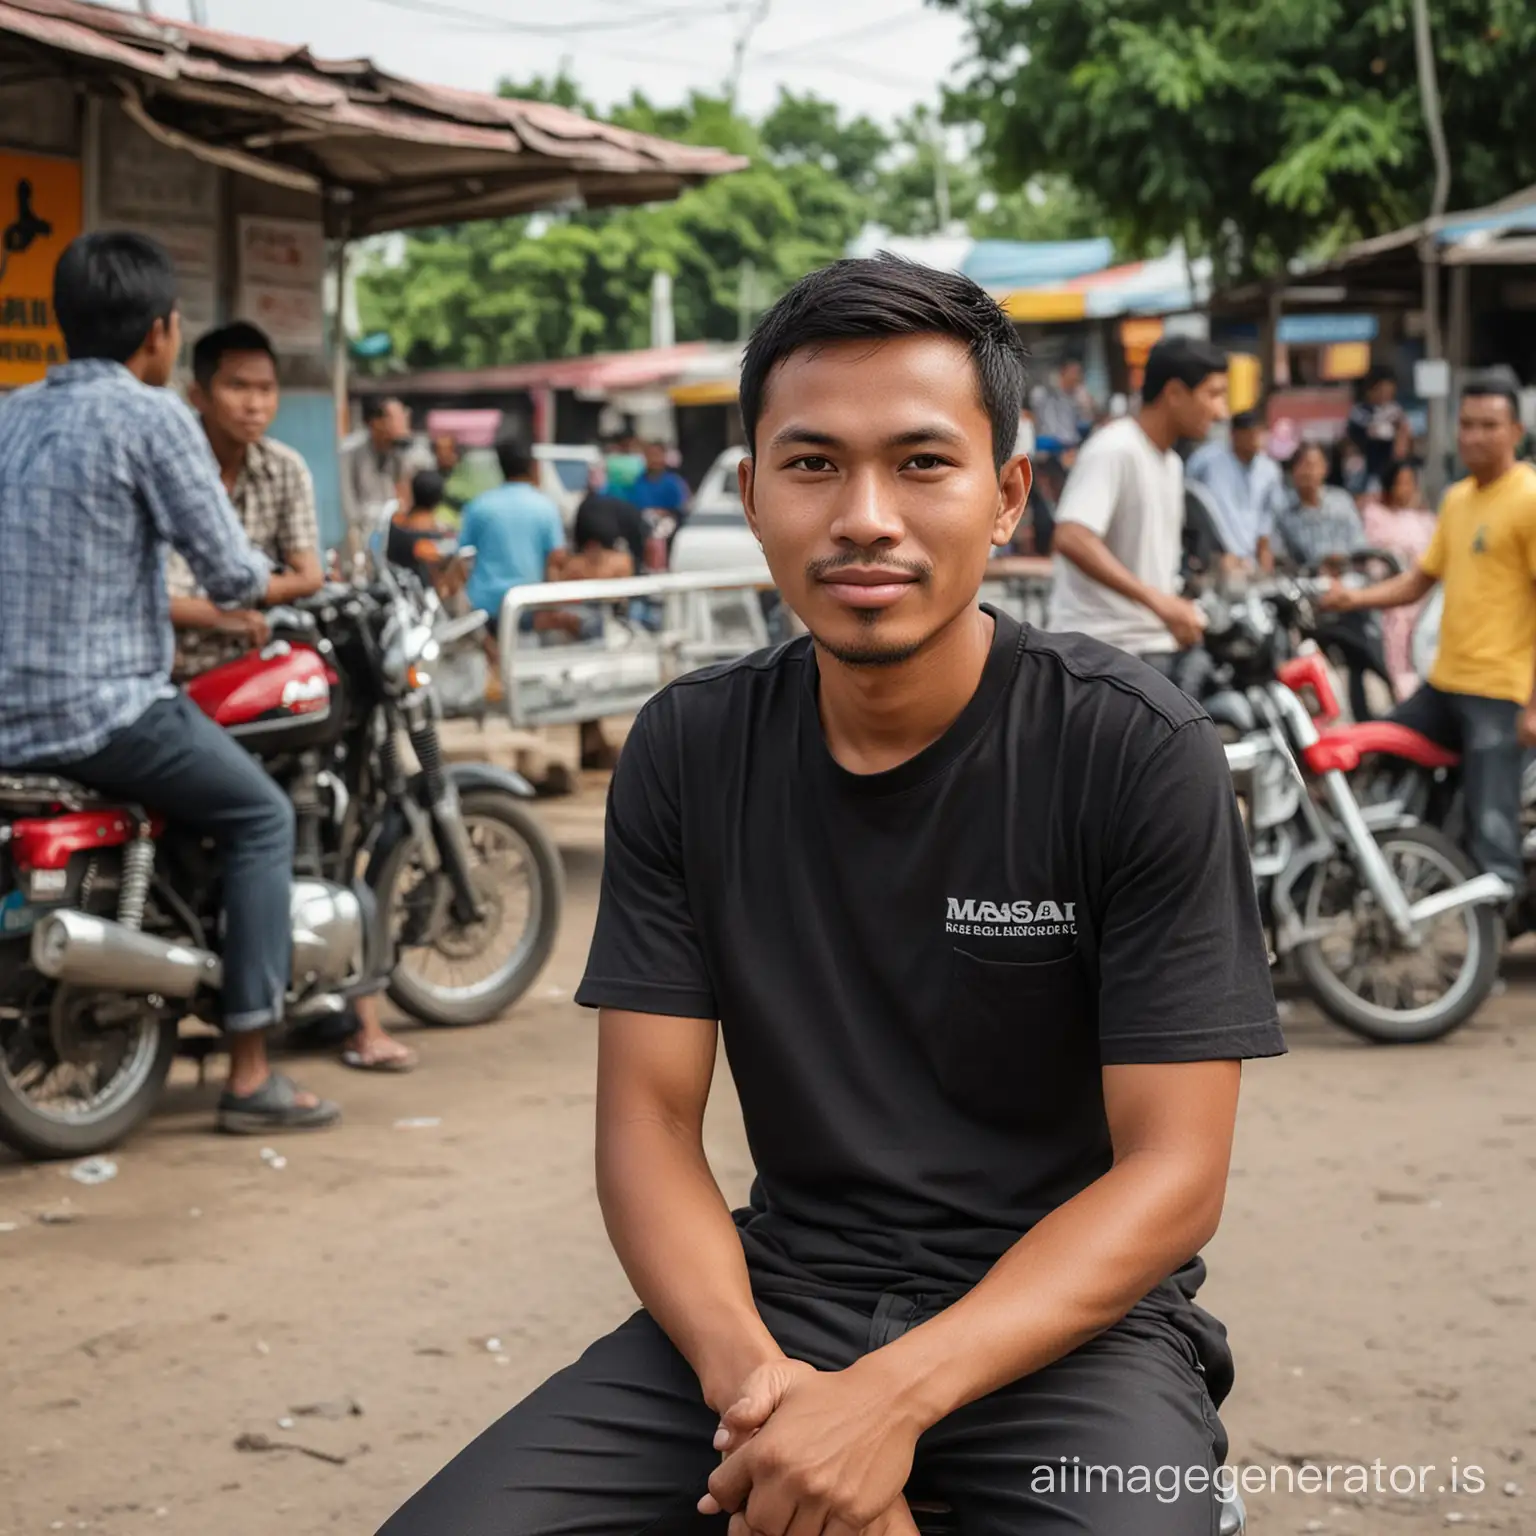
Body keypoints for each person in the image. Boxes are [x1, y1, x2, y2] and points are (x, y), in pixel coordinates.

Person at [378, 254, 1283, 1536]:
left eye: (922, 463)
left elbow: (1174, 1175)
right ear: (750, 497)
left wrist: (888, 1405)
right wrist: (766, 1398)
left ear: (1008, 493)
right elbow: (645, 1127)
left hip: (1069, 1330)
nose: (866, 515)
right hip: (774, 1305)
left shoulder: (1133, 749)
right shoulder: (687, 752)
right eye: (812, 465)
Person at [0, 231, 338, 1133]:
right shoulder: (153, 418)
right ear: (159, 334)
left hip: (10, 717)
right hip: (104, 710)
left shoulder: (9, 411)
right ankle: (252, 1071)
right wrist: (297, 585)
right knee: (262, 815)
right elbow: (230, 574)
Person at [169, 322, 416, 1076]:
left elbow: (309, 572)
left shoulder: (283, 469)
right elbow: (161, 597)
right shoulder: (175, 464)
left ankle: (340, 1005)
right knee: (275, 819)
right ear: (198, 393)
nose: (254, 404)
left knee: (330, 805)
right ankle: (328, 1028)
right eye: (237, 387)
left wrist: (248, 603)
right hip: (179, 681)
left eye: (265, 388)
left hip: (256, 674)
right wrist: (230, 612)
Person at [1322, 377, 1536, 914]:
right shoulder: (1458, 498)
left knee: (1492, 828)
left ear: (1516, 430)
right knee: (1373, 752)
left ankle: (1487, 940)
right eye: (1467, 424)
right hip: (1442, 684)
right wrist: (1352, 600)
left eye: (1489, 425)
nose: (1475, 436)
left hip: (1500, 693)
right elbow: (1419, 579)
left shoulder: (1529, 499)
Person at [1048, 335, 1229, 690]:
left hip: (1151, 649)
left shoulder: (1171, 463)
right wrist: (1160, 603)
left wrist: (1174, 604)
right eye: (1213, 394)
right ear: (1175, 393)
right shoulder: (1116, 448)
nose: (1221, 411)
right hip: (1102, 655)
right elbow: (1071, 536)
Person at [460, 436, 566, 649]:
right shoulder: (545, 507)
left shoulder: (479, 505)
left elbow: (463, 558)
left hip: (482, 609)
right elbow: (555, 561)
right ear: (531, 466)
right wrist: (552, 607)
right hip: (525, 607)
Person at [1360, 458, 1438, 698]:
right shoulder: (1375, 515)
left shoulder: (1424, 520)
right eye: (1400, 483)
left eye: (1409, 483)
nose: (1405, 489)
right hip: (1394, 598)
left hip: (1427, 601)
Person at [1185, 407, 1281, 571]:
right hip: (1213, 556)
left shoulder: (1269, 470)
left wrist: (1264, 555)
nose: (1255, 439)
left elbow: (1266, 518)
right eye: (1249, 433)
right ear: (1235, 434)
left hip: (1249, 559)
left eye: (1259, 433)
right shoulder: (1206, 461)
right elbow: (1189, 503)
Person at [1273, 441, 1367, 570]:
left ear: (1325, 468)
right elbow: (1279, 556)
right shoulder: (1282, 510)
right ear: (1293, 470)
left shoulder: (1342, 501)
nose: (1308, 472)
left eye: (1313, 465)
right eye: (1302, 465)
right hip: (1305, 581)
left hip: (1346, 576)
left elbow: (1359, 545)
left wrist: (1341, 560)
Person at [342, 395, 416, 548]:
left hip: (389, 532)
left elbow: (405, 498)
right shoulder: (350, 452)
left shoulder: (398, 451)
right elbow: (348, 507)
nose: (403, 422)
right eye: (396, 418)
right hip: (360, 533)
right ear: (376, 422)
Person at [1346, 364, 1407, 491]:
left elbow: (1403, 443)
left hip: (1390, 472)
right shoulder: (1359, 413)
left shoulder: (1396, 412)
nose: (1385, 395)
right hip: (1365, 473)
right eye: (1382, 390)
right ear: (1370, 390)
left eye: (1390, 391)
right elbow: (1362, 437)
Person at [1029, 353, 1096, 456]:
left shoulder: (1077, 396)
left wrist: (1086, 404)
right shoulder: (1046, 393)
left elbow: (1085, 422)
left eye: (1078, 373)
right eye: (1073, 373)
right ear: (1063, 373)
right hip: (1049, 447)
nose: (1076, 377)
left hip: (1071, 446)